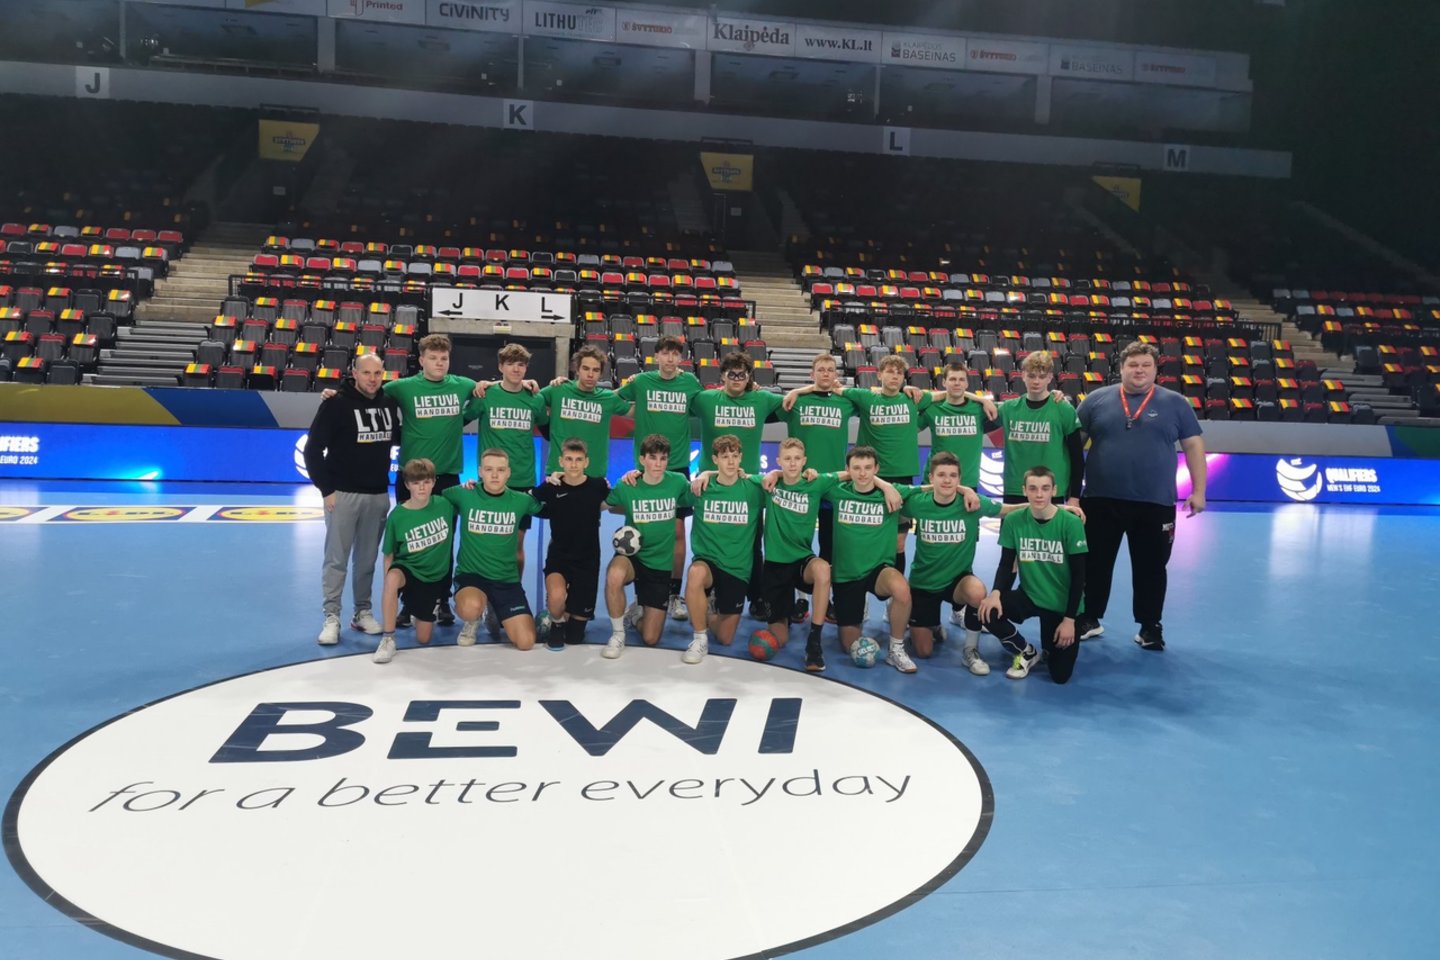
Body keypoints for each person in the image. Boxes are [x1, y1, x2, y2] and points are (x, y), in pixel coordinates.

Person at [1074, 340, 1206, 652]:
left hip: (1154, 503)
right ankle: (1089, 617)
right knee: (1094, 563)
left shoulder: (1176, 403)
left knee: (1152, 568)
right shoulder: (1095, 400)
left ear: (1156, 369)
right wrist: (1070, 494)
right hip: (1100, 499)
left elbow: (1194, 446)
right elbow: (1073, 447)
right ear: (1120, 368)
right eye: (1133, 365)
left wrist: (1199, 491)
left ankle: (1150, 626)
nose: (1139, 370)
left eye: (1146, 365)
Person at [381, 333, 478, 626]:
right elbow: (369, 391)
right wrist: (334, 393)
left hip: (446, 478)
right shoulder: (403, 387)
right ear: (421, 360)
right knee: (408, 543)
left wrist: (530, 382)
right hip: (411, 477)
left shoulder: (463, 385)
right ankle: (408, 603)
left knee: (442, 542)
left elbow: (493, 388)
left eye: (443, 358)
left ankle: (441, 600)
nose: (439, 363)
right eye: (433, 358)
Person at [304, 352, 398, 646]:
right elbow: (312, 450)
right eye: (366, 372)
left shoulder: (389, 403)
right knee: (337, 560)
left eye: (377, 373)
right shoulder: (335, 404)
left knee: (367, 561)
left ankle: (362, 612)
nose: (372, 379)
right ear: (354, 374)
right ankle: (331, 616)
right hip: (343, 495)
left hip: (378, 494)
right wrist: (326, 489)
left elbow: (398, 437)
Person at [690, 351, 785, 619]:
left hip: (748, 486)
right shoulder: (705, 399)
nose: (736, 378)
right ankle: (707, 591)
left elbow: (793, 401)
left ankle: (756, 597)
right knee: (709, 541)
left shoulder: (762, 399)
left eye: (742, 374)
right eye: (731, 373)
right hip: (711, 484)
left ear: (749, 377)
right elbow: (671, 400)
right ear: (722, 375)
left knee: (753, 544)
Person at [618, 335, 703, 621]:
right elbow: (614, 399)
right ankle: (640, 598)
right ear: (656, 356)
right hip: (645, 467)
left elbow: (711, 401)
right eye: (665, 354)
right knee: (640, 531)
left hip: (676, 467)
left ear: (681, 358)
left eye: (675, 354)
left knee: (677, 532)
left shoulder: (690, 383)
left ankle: (674, 594)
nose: (670, 359)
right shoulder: (641, 382)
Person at [978, 466, 1088, 684]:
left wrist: (1069, 620)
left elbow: (1079, 576)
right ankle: (1025, 651)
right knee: (985, 611)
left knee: (1059, 676)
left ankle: (1050, 643)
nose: (1039, 494)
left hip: (1061, 605)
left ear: (1054, 490)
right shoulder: (1014, 520)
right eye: (1033, 488)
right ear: (1024, 490)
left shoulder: (1071, 523)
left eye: (1045, 488)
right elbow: (1006, 564)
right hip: (1030, 595)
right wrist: (996, 593)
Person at [823, 446, 915, 673]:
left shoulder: (894, 493)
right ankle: (857, 610)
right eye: (856, 468)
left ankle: (896, 649)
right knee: (849, 646)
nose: (863, 473)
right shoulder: (836, 491)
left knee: (901, 588)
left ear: (876, 468)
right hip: (846, 574)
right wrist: (884, 483)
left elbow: (933, 488)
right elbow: (806, 480)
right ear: (847, 469)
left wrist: (966, 490)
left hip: (878, 570)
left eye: (868, 468)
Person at [440, 448, 542, 650]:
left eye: (500, 470)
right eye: (489, 469)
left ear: (508, 472)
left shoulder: (521, 500)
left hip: (506, 579)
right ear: (480, 471)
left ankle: (495, 608)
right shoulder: (463, 493)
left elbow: (553, 506)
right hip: (472, 576)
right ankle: (473, 620)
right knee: (470, 608)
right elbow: (431, 499)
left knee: (526, 642)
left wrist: (556, 481)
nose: (495, 475)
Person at [465, 342, 548, 584]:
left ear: (526, 369)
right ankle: (485, 592)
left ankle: (513, 590)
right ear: (501, 366)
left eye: (521, 365)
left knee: (516, 546)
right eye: (510, 364)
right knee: (488, 543)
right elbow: (458, 420)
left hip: (522, 480)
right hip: (490, 481)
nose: (516, 369)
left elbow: (549, 430)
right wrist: (481, 385)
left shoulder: (535, 399)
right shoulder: (486, 395)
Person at [840, 354, 931, 575]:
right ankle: (862, 588)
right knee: (866, 538)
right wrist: (794, 392)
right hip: (869, 478)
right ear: (879, 375)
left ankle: (894, 590)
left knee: (898, 543)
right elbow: (834, 388)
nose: (895, 376)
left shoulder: (913, 399)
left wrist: (985, 400)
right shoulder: (865, 397)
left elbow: (948, 394)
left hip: (903, 479)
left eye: (900, 373)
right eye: (890, 371)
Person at [602, 434, 691, 658]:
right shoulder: (628, 484)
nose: (658, 464)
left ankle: (635, 616)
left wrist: (707, 474)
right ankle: (618, 634)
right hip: (633, 556)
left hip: (660, 564)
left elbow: (700, 492)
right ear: (642, 459)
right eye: (653, 458)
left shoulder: (678, 482)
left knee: (651, 638)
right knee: (614, 575)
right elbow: (603, 504)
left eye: (663, 458)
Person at [754, 438, 838, 671]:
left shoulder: (816, 483)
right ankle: (787, 612)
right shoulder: (768, 484)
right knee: (779, 640)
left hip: (802, 562)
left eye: (797, 459)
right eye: (787, 459)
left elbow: (849, 474)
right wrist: (705, 474)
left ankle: (814, 642)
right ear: (778, 461)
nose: (792, 463)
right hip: (775, 567)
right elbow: (735, 475)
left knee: (823, 568)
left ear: (804, 461)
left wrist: (885, 486)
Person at [682, 435, 766, 664]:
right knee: (695, 573)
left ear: (741, 458)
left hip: (737, 568)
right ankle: (699, 639)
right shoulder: (701, 487)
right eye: (725, 456)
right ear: (715, 459)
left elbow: (785, 480)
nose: (730, 461)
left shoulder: (754, 489)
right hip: (707, 561)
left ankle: (705, 610)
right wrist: (635, 474)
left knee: (725, 638)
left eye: (735, 456)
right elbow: (662, 484)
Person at [373, 458, 456, 664]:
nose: (422, 487)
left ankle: (418, 607)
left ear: (434, 482)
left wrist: (471, 485)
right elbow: (388, 555)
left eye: (426, 482)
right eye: (416, 482)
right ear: (407, 484)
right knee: (392, 578)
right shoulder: (398, 516)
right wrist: (390, 588)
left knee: (423, 638)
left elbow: (473, 496)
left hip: (431, 578)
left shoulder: (445, 504)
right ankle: (388, 639)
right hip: (407, 569)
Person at [532, 438, 610, 651]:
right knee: (557, 597)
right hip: (560, 556)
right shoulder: (552, 486)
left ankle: (565, 613)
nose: (573, 464)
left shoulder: (598, 486)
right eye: (569, 459)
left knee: (575, 637)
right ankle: (556, 621)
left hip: (588, 560)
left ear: (586, 462)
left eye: (578, 459)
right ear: (561, 461)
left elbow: (616, 501)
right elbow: (525, 500)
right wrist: (547, 482)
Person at [996, 350, 1084, 508]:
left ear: (1050, 377)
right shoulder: (1008, 409)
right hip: (1016, 489)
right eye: (1031, 376)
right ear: (1023, 375)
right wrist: (981, 400)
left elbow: (1077, 456)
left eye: (1042, 377)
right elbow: (974, 415)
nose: (1036, 381)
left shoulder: (1063, 409)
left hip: (1052, 490)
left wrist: (1075, 496)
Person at [539, 344, 631, 480]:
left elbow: (636, 412)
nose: (590, 374)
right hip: (558, 475)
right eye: (586, 368)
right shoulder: (558, 390)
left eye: (595, 370)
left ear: (601, 373)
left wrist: (640, 383)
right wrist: (523, 383)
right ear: (577, 369)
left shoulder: (608, 398)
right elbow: (529, 400)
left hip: (593, 476)